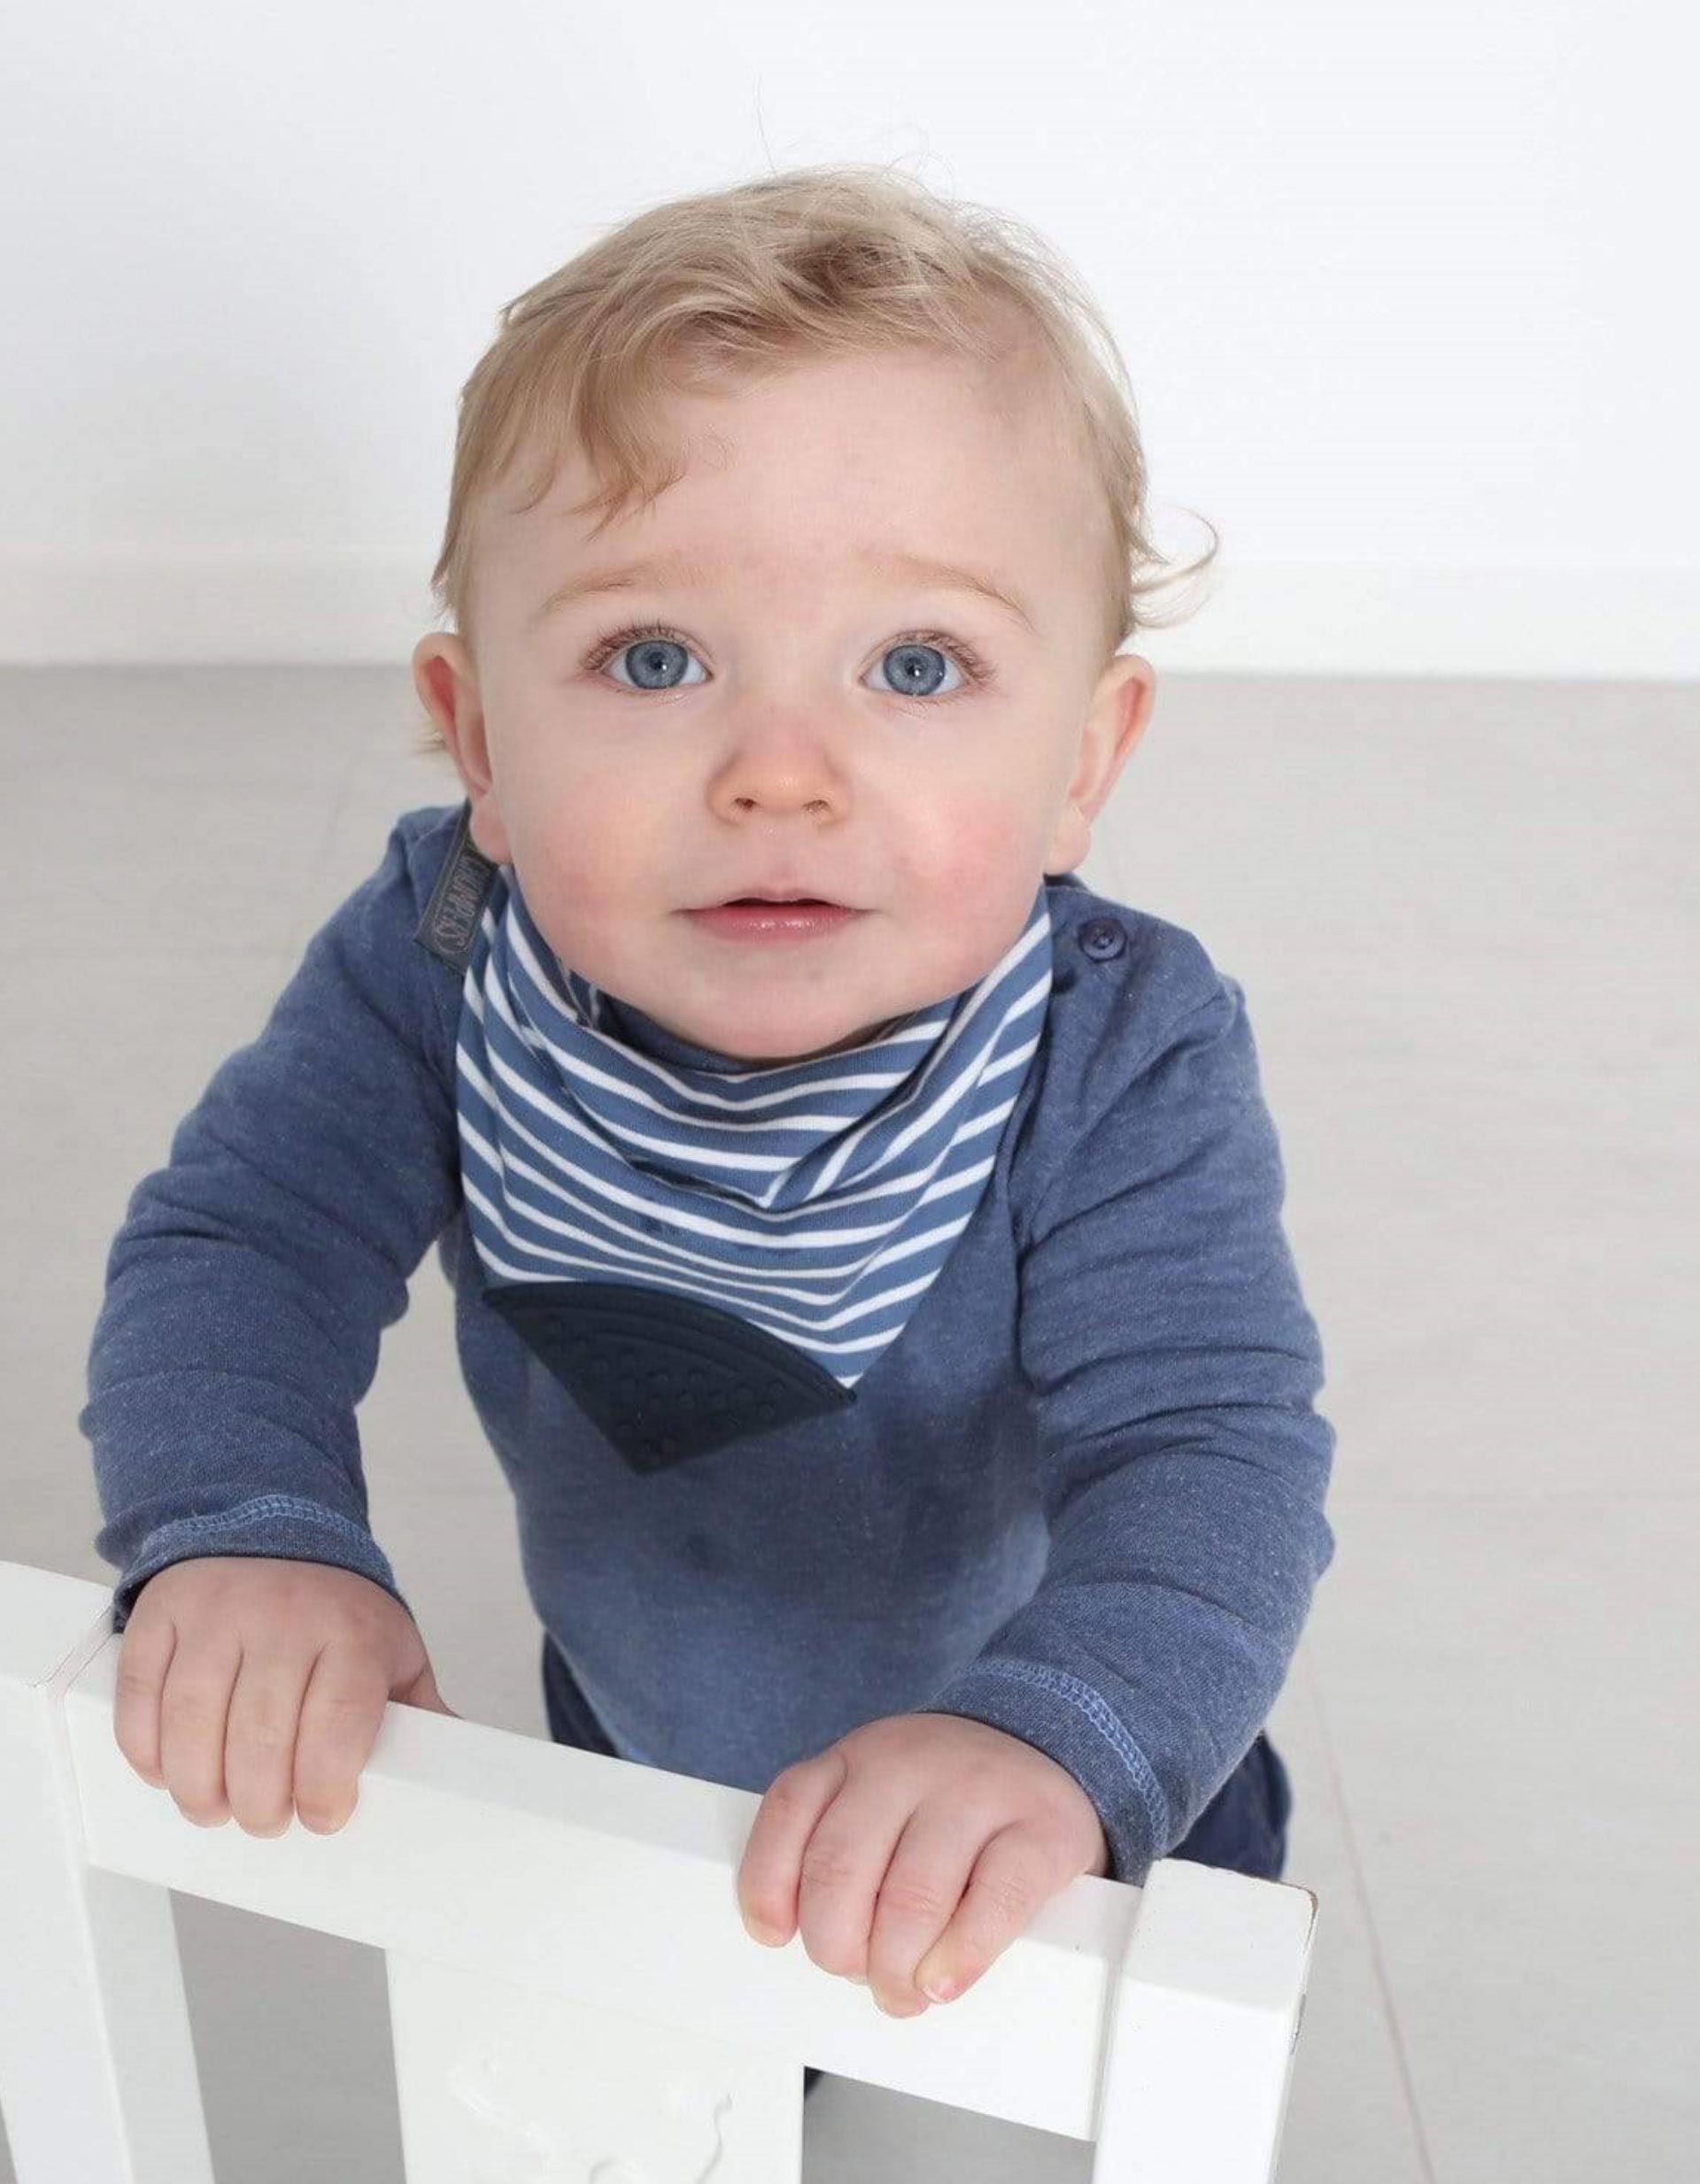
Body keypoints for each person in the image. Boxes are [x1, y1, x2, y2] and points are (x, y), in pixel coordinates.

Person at [83, 165, 1333, 2083]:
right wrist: (250, 1531)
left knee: (1021, 2114)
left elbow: (1207, 1442)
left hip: (1057, 1782)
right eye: (652, 660)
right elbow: (243, 1243)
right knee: (663, 2095)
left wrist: (1061, 1733)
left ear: (1083, 759)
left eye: (918, 666)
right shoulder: (445, 947)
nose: (778, 773)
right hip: (643, 1745)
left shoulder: (1117, 1047)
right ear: (480, 740)